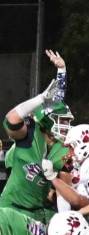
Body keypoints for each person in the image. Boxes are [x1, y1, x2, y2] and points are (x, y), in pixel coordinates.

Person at [2, 50, 73, 223]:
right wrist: (41, 98)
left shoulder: (64, 146)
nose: (65, 126)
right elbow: (12, 119)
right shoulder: (31, 133)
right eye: (61, 121)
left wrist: (62, 71)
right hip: (13, 206)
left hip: (40, 210)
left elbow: (56, 103)